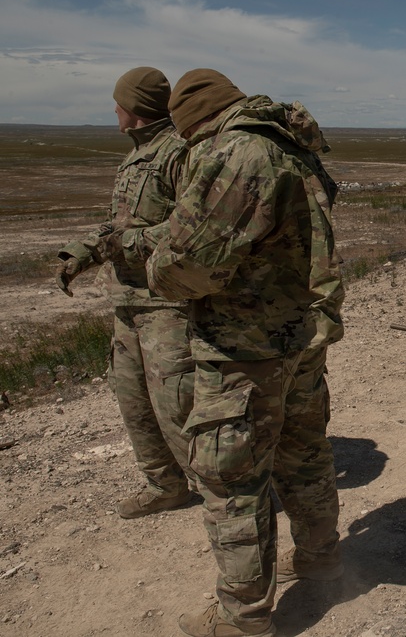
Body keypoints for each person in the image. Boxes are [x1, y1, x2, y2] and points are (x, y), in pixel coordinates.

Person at [146, 69, 344, 637]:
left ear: (195, 122)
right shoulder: (289, 143)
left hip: (244, 347)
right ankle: (320, 558)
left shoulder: (237, 152)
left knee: (232, 480)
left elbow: (186, 266)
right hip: (299, 337)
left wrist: (159, 262)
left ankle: (243, 619)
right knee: (303, 452)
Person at [55, 67, 195, 519]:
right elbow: (121, 227)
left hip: (166, 304)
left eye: (117, 102)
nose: (112, 110)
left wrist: (123, 245)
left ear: (132, 107)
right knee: (133, 401)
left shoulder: (178, 153)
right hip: (127, 303)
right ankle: (164, 484)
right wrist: (83, 253)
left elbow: (188, 231)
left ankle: (229, 494)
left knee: (179, 405)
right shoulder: (135, 157)